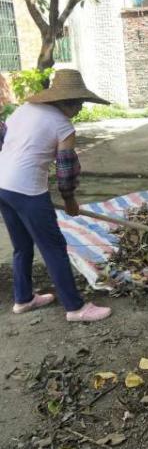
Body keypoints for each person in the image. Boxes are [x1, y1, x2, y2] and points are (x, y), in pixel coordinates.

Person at [0, 69, 112, 322]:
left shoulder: (23, 110)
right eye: (81, 104)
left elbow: (4, 140)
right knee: (54, 248)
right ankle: (75, 308)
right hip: (28, 190)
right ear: (68, 101)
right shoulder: (63, 126)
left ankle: (23, 298)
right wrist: (70, 200)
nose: (81, 109)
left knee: (22, 245)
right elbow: (66, 170)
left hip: (2, 186)